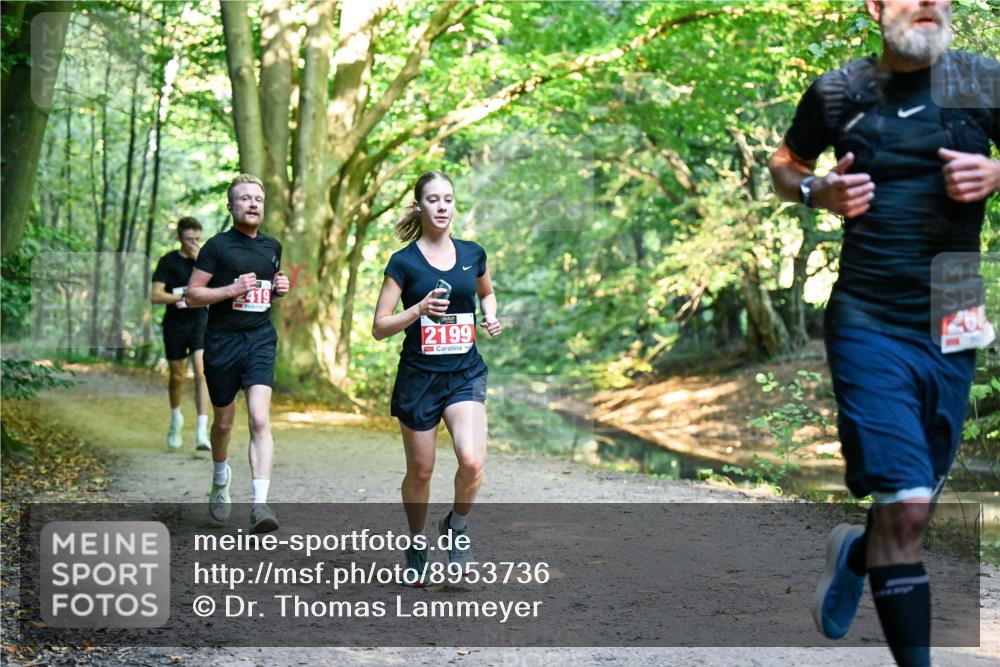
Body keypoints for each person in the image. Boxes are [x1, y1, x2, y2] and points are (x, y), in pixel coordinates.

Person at [769, 1, 999, 665]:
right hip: (869, 311)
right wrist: (816, 190)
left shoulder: (982, 80)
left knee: (912, 499)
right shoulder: (841, 90)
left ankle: (854, 553)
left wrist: (997, 174)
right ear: (874, 6)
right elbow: (786, 163)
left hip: (955, 309)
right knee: (910, 506)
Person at [372, 171, 502, 583]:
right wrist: (418, 310)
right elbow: (379, 326)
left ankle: (457, 530)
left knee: (472, 460)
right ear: (419, 207)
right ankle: (415, 542)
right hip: (419, 377)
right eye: (433, 199)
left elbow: (485, 292)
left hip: (463, 373)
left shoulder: (472, 253)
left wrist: (491, 316)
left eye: (448, 199)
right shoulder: (404, 263)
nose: (442, 206)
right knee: (422, 471)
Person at [186, 174, 290, 534]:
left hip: (260, 338)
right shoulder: (216, 247)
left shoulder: (272, 246)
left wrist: (278, 287)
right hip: (221, 342)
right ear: (231, 206)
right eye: (244, 198)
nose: (252, 204)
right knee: (225, 423)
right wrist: (230, 288)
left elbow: (264, 290)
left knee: (260, 419)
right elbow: (192, 295)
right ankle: (220, 477)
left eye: (258, 199)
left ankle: (260, 505)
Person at [150, 217, 210, 451]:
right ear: (179, 239)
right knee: (176, 377)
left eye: (197, 238)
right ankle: (176, 420)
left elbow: (217, 289)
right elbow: (155, 295)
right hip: (175, 325)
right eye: (188, 239)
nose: (193, 243)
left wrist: (200, 263)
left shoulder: (206, 260)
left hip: (200, 322)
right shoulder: (168, 262)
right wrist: (183, 297)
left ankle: (201, 432)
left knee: (201, 374)